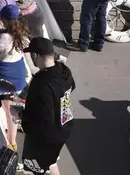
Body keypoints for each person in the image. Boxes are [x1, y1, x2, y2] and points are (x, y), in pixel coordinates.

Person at [19, 37, 76, 175]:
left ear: (35, 55)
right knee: (51, 163)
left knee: (32, 171)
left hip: (45, 138)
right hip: (64, 127)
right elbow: (72, 86)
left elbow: (43, 118)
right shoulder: (64, 71)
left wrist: (20, 114)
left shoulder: (41, 82)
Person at [0, 4, 32, 151]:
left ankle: (9, 143)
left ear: (4, 19)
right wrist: (1, 30)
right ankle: (15, 137)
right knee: (16, 110)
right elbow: (10, 41)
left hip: (6, 80)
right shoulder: (22, 35)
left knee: (8, 110)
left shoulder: (2, 38)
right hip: (19, 77)